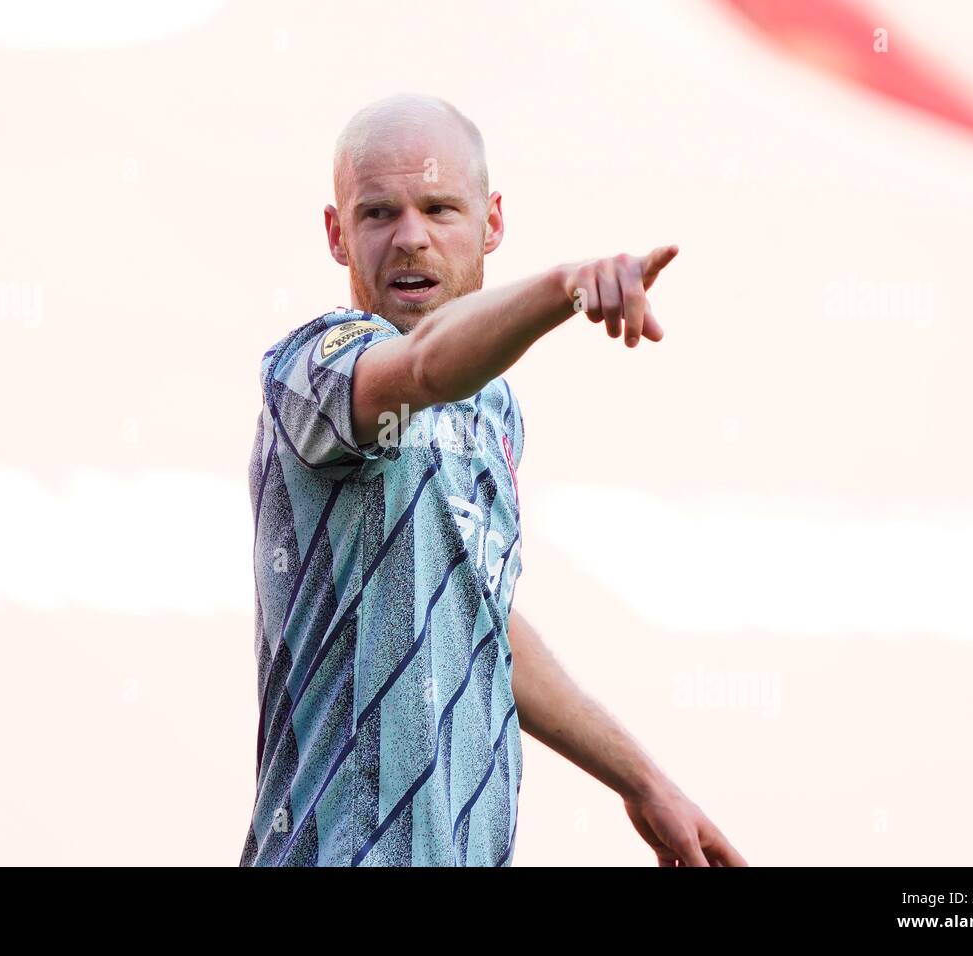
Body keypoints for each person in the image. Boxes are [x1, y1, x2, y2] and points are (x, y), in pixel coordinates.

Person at [241, 92, 746, 867]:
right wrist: (562, 289)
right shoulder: (317, 364)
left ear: (493, 221)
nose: (411, 238)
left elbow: (482, 612)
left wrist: (643, 781)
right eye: (379, 214)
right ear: (337, 235)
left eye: (440, 208)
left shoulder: (493, 407)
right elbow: (421, 366)